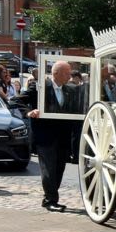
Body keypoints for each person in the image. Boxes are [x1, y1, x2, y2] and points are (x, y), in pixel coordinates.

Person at [20, 61, 78, 211]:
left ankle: (52, 197)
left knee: (59, 168)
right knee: (49, 169)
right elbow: (17, 101)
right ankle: (50, 200)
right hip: (45, 136)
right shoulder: (40, 87)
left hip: (63, 137)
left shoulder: (70, 90)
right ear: (56, 73)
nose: (69, 76)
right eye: (66, 73)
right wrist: (29, 112)